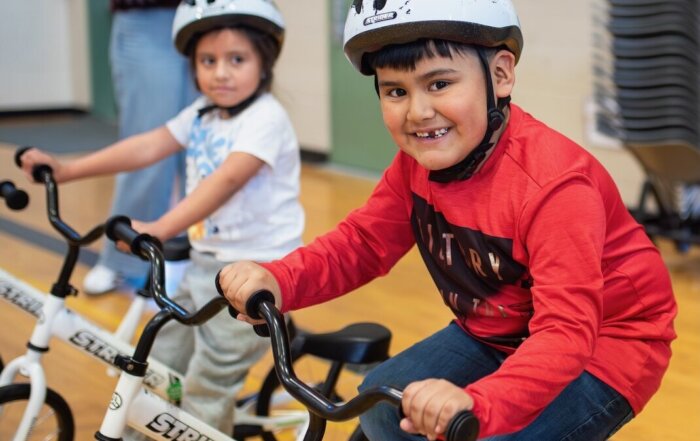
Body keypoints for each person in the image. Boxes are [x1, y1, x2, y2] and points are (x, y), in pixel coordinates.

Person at [217, 1, 678, 440]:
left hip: (606, 344)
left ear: (499, 75)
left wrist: (481, 403)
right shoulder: (414, 167)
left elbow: (565, 332)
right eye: (396, 91)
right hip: (499, 329)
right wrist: (279, 278)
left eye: (439, 84)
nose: (418, 112)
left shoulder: (554, 188)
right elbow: (362, 244)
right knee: (383, 410)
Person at [21, 0, 303, 434]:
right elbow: (146, 145)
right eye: (208, 61)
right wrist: (68, 169)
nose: (221, 72)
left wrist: (159, 227)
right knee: (157, 365)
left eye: (237, 59)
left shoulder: (266, 118)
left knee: (208, 385)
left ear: (264, 64)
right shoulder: (202, 113)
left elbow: (225, 181)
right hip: (206, 266)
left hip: (260, 273)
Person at [84, 0, 200, 295]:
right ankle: (124, 260)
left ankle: (207, 258)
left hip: (215, 13)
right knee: (149, 141)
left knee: (208, 145)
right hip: (147, 14)